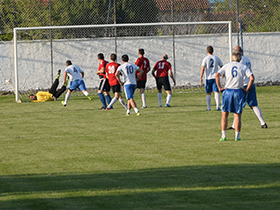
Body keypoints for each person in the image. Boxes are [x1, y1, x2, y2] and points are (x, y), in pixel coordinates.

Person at [215, 53, 254, 141]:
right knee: (237, 115)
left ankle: (223, 136)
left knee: (224, 114)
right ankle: (237, 136)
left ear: (232, 58)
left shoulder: (226, 66)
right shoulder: (243, 67)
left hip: (227, 91)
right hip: (238, 91)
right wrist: (246, 89)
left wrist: (219, 87)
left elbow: (216, 75)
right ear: (240, 59)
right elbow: (252, 78)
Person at [228, 46, 268, 129]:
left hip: (244, 85)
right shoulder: (247, 59)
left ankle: (234, 125)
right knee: (253, 105)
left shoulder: (239, 61)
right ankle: (263, 123)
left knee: (238, 105)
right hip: (251, 84)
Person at [200, 46, 223, 111]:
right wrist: (222, 74)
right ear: (213, 51)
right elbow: (222, 66)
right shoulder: (216, 58)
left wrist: (201, 77)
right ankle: (218, 106)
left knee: (208, 93)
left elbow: (202, 68)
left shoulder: (205, 59)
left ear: (207, 51)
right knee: (216, 92)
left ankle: (209, 107)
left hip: (208, 78)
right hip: (216, 77)